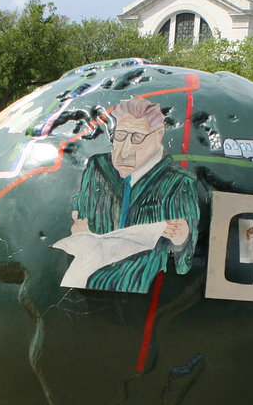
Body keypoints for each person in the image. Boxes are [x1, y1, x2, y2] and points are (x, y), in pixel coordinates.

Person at [52, 96, 199, 293]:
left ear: (158, 135)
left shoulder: (178, 183)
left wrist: (181, 239)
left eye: (136, 138)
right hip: (88, 279)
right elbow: (82, 211)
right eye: (120, 136)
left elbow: (184, 264)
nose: (124, 151)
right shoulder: (97, 167)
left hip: (139, 284)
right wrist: (78, 224)